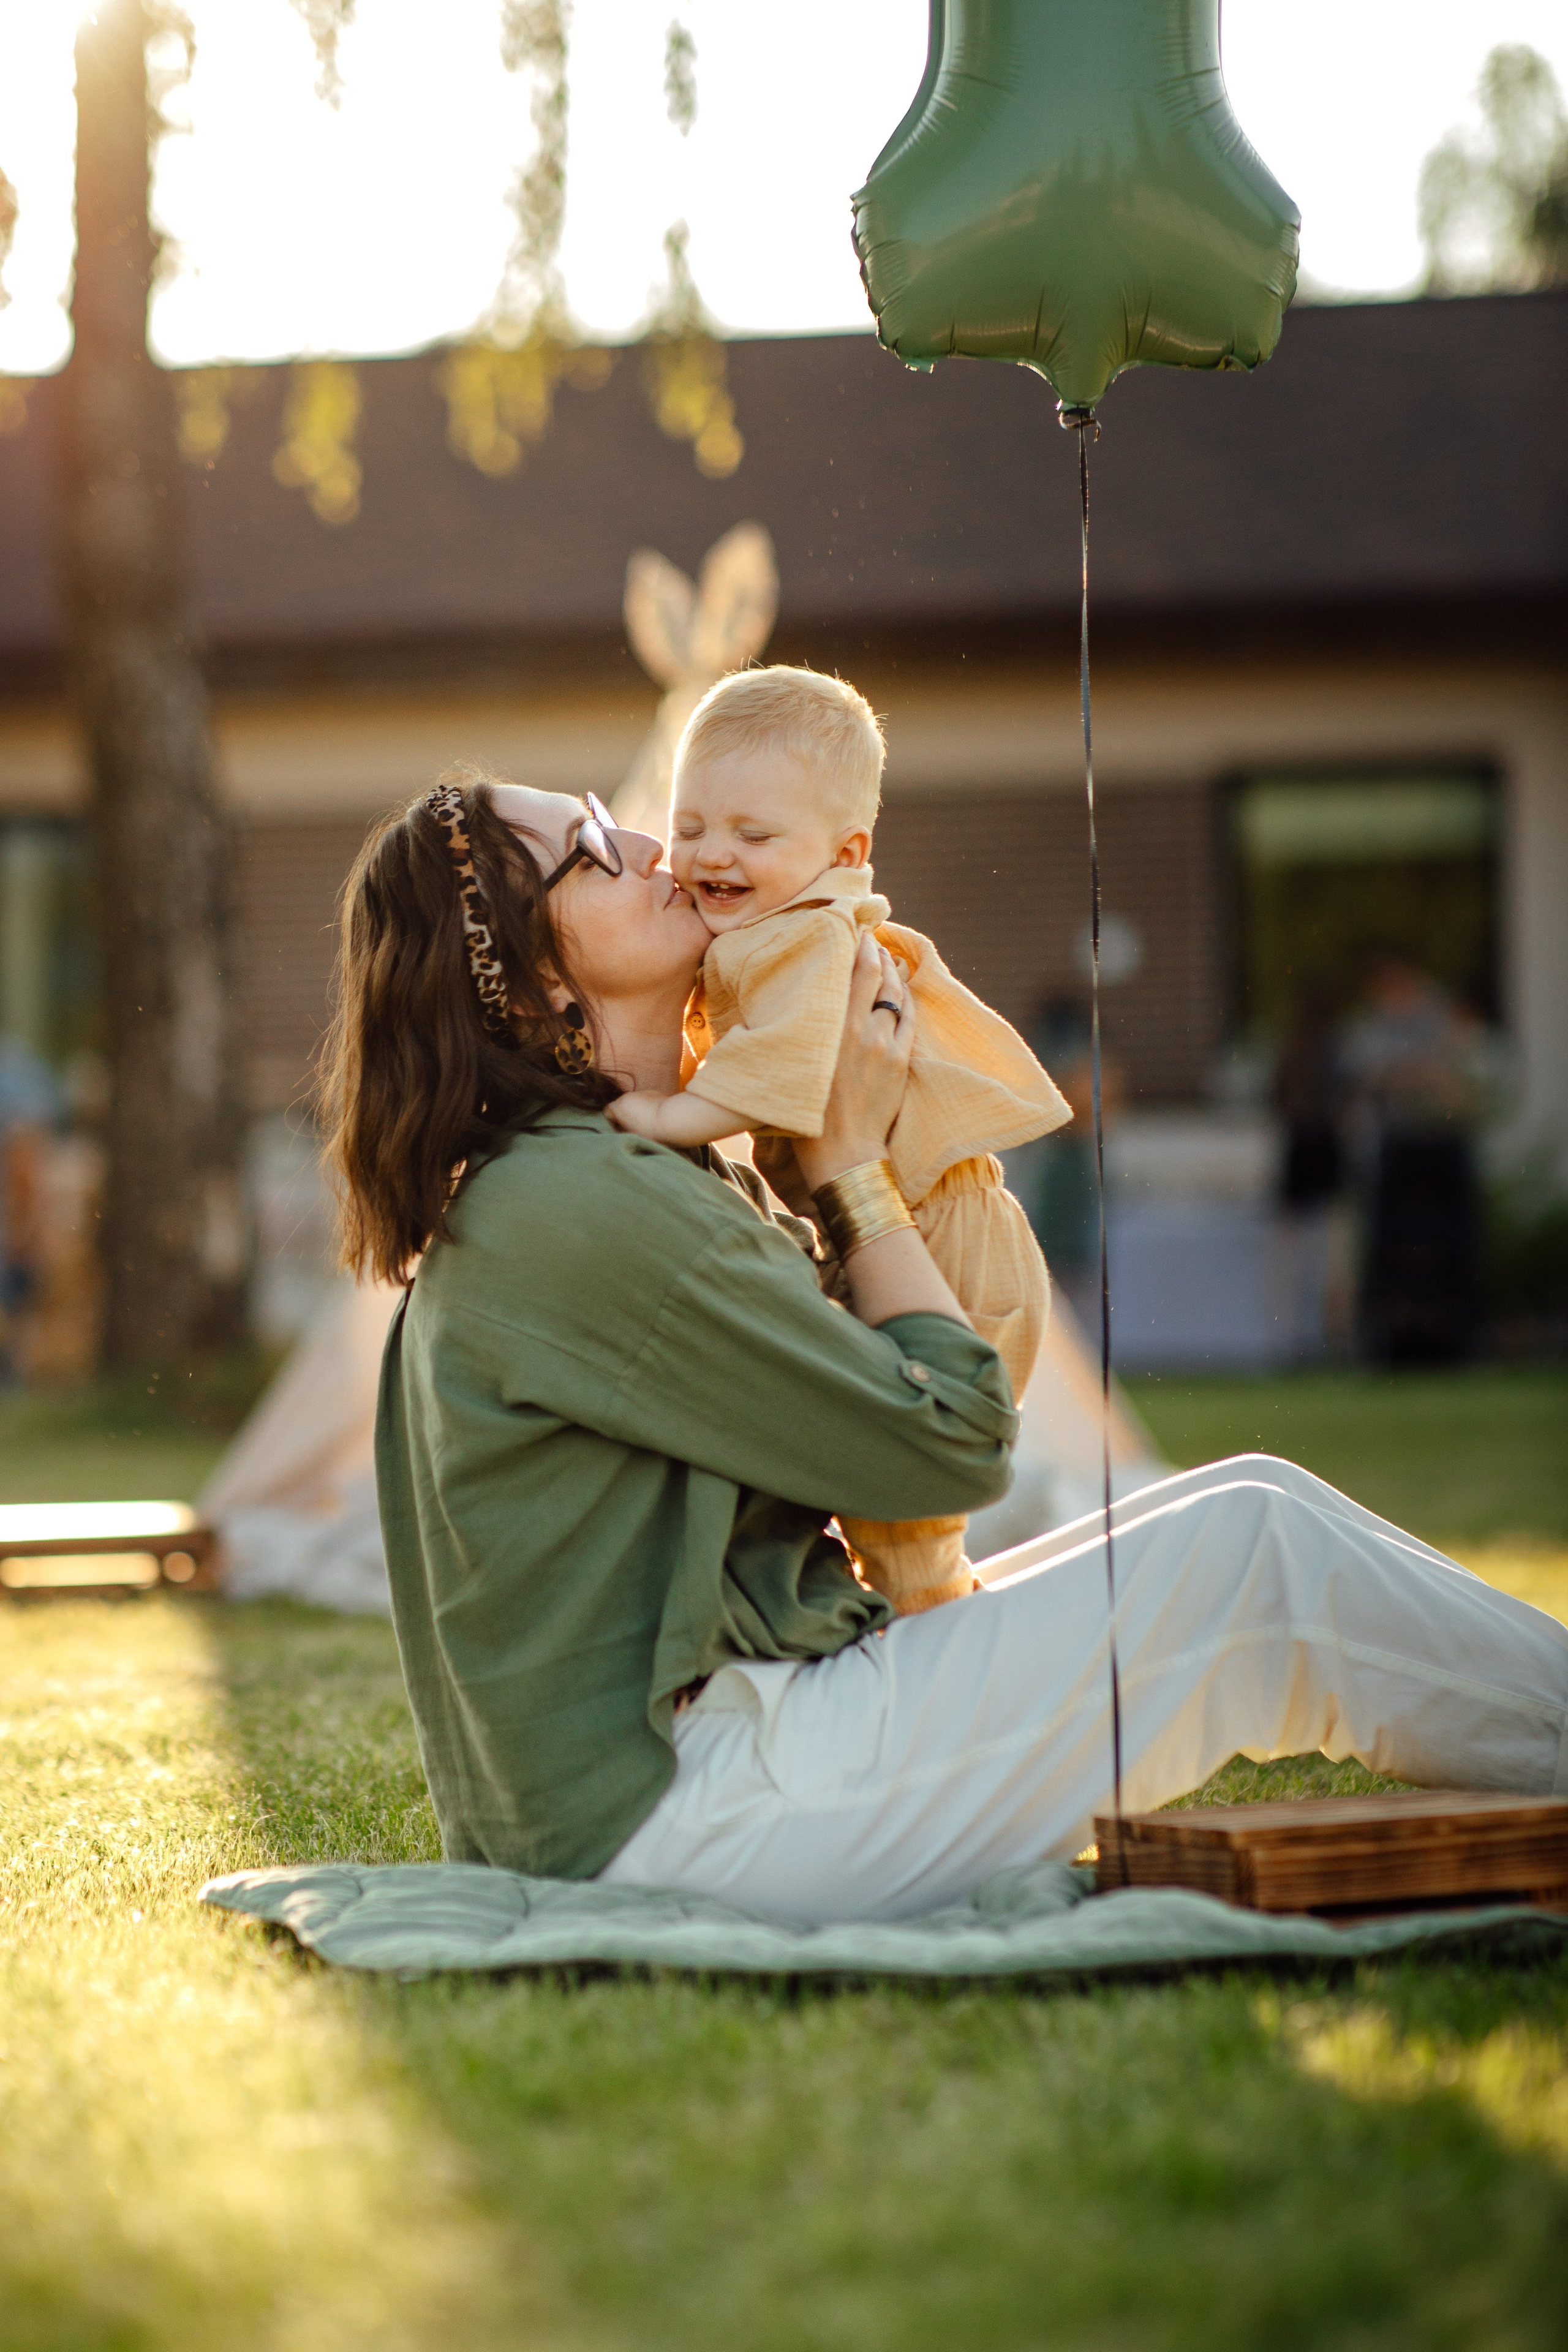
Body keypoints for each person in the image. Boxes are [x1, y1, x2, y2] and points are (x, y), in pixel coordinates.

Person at [320, 773, 1568, 1928]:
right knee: (1256, 1556)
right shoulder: (583, 1202)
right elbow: (947, 1438)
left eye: (606, 811)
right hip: (675, 1818)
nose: (650, 844)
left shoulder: (606, 1177)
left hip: (671, 1787)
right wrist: (854, 1170)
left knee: (1251, 1501)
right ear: (535, 989)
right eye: (590, 854)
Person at [606, 666, 1069, 1613]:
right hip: (920, 1224)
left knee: (903, 1507)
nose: (709, 855)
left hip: (943, 1238)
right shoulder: (773, 926)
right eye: (690, 827)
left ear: (846, 849)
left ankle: (938, 1629)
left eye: (752, 833)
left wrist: (669, 1114)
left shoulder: (809, 938)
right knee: (883, 1502)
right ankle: (930, 1606)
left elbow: (793, 1054)